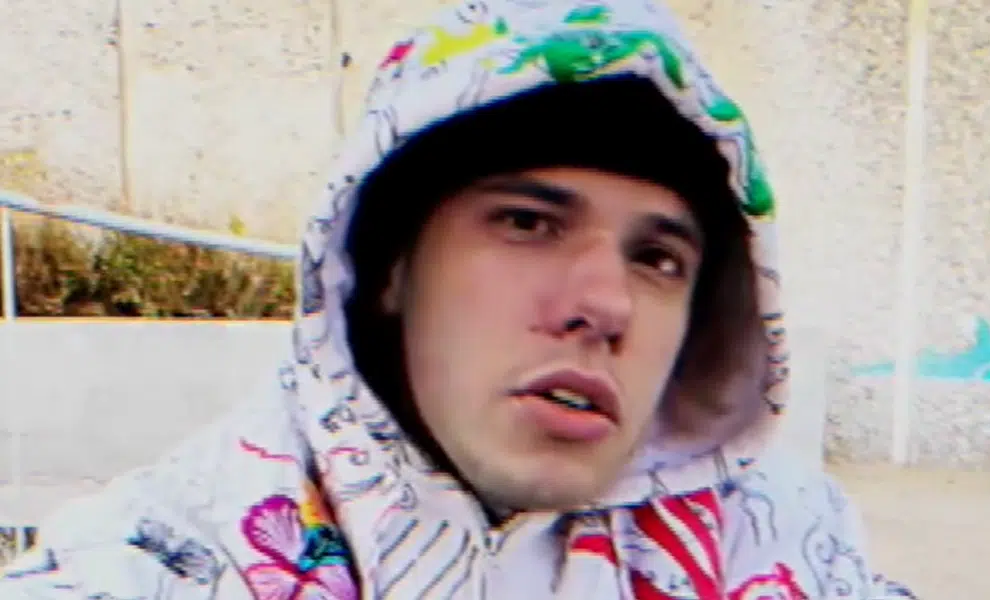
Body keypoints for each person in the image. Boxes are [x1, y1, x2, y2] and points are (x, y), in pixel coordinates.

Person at [0, 1, 916, 598]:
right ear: (387, 267)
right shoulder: (160, 563)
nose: (606, 303)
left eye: (658, 258)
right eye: (527, 222)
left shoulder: (789, 545)